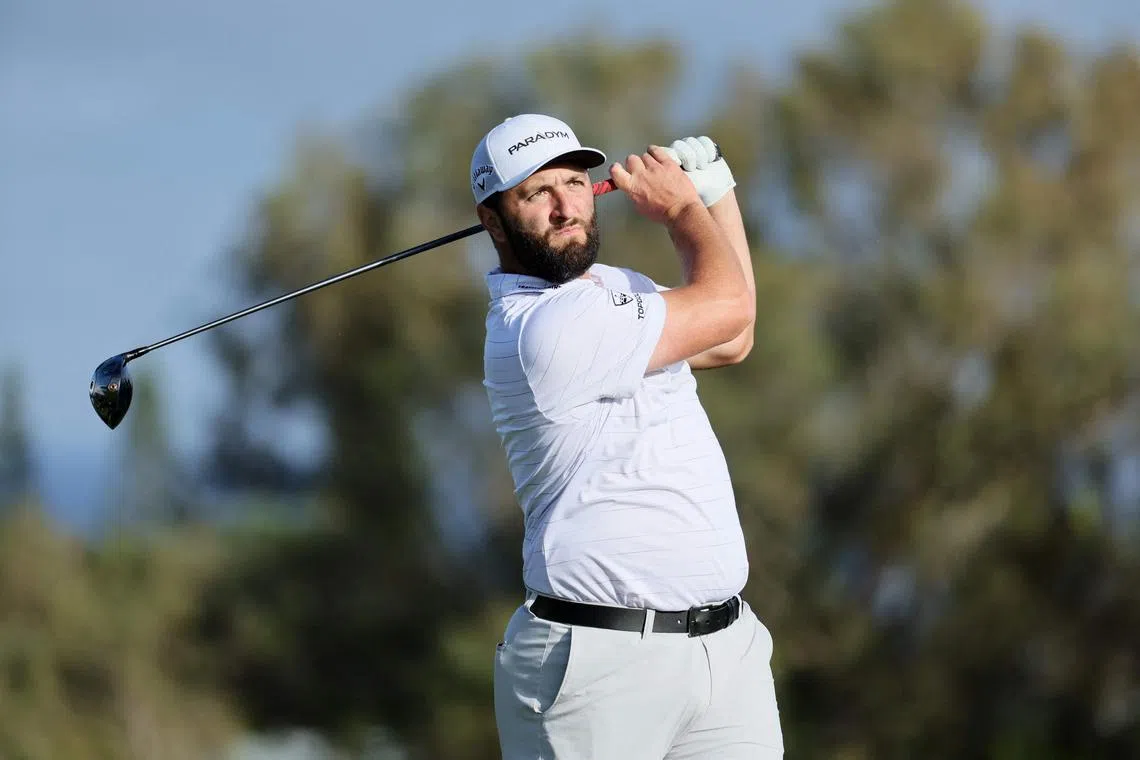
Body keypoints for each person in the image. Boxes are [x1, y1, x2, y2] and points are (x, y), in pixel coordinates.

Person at [472, 113, 783, 759]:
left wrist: (715, 191)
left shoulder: (617, 290)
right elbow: (730, 304)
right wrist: (680, 211)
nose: (566, 207)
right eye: (537, 193)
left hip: (723, 652)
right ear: (494, 220)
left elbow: (732, 337)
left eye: (576, 183)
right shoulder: (541, 329)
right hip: (597, 667)